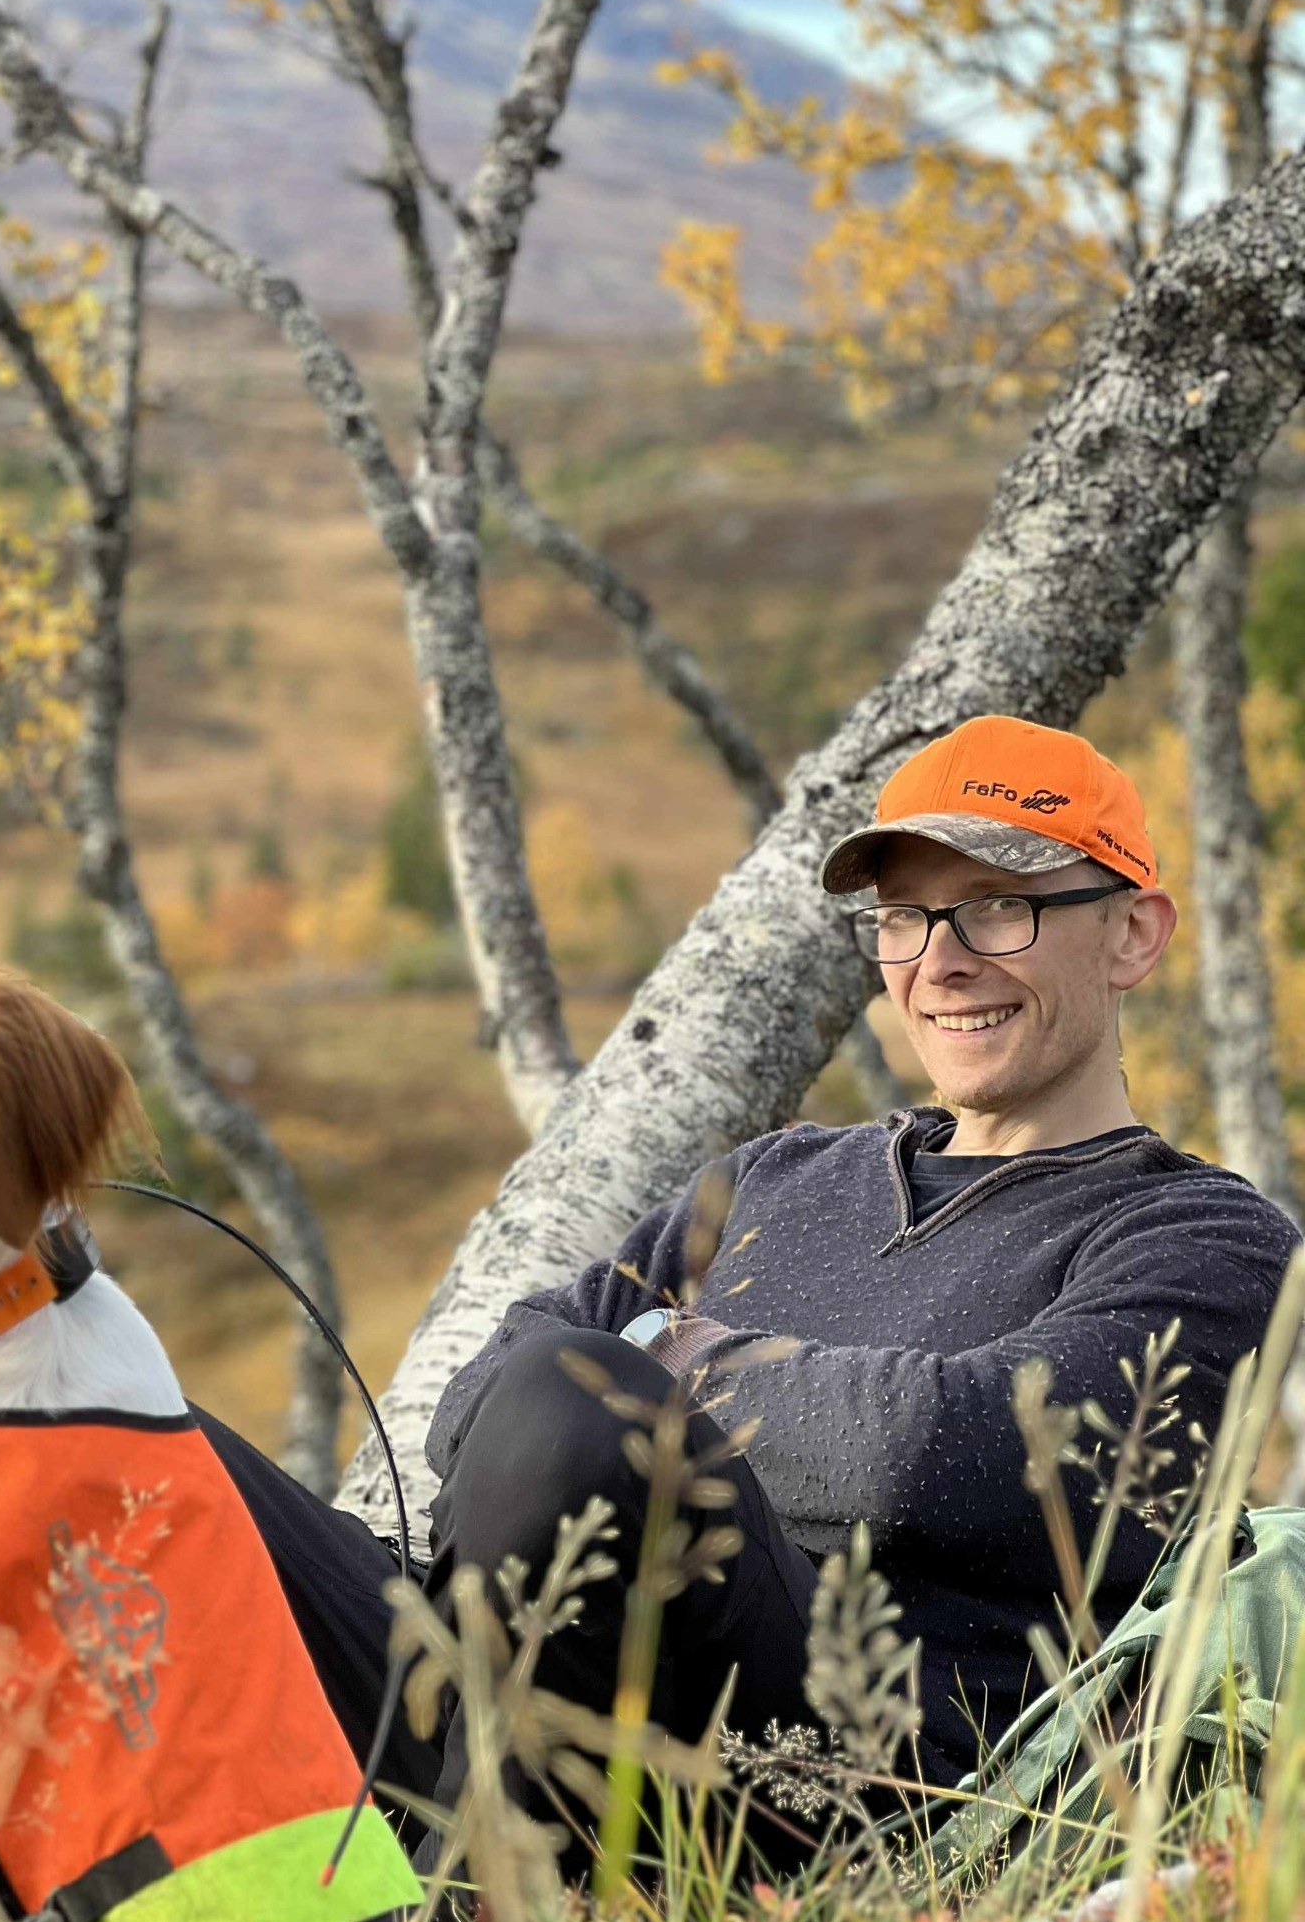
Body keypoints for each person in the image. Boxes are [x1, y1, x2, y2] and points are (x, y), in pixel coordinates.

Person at [200, 715, 1300, 1860]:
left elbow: (937, 1448)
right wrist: (688, 1403)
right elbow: (485, 1388)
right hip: (500, 1672)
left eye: (996, 906)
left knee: (579, 1407)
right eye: (904, 918)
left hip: (818, 1786)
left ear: (1134, 933)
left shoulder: (1204, 1237)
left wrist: (659, 1361)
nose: (941, 959)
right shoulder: (778, 1175)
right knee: (150, 1462)